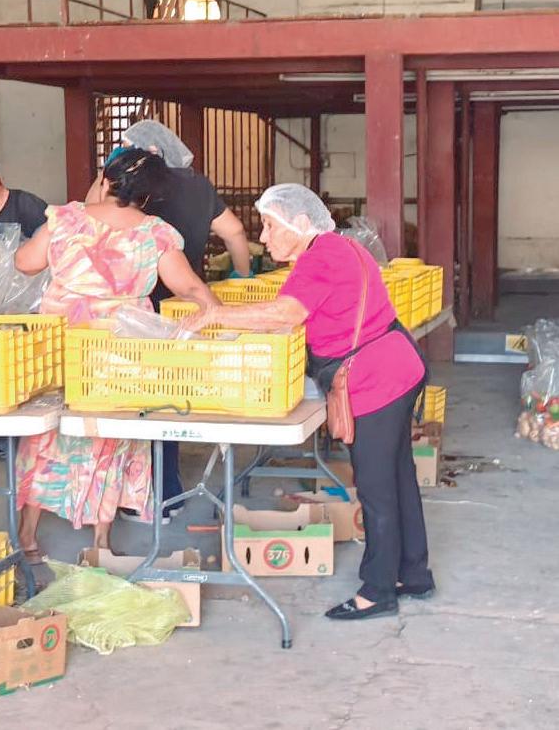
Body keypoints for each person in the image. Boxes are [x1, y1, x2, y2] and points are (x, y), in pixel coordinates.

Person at [184, 183, 434, 621]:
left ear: (301, 223)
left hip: (376, 379)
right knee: (397, 476)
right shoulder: (339, 248)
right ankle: (413, 573)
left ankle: (378, 590)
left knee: (376, 488)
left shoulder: (322, 257)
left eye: (270, 226)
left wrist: (216, 314)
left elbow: (287, 313)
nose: (263, 237)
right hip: (396, 366)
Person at [13, 149, 220, 559]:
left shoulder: (67, 219)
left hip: (63, 349)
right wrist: (220, 316)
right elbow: (189, 287)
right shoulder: (154, 233)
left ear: (105, 180)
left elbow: (25, 262)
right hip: (120, 355)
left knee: (47, 436)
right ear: (148, 196)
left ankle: (28, 535)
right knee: (110, 438)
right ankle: (101, 543)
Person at [116, 120, 252, 522]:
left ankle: (147, 498)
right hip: (190, 307)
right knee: (172, 398)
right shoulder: (199, 186)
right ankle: (170, 493)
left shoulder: (138, 189)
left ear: (148, 153)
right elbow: (235, 232)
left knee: (140, 404)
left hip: (143, 311)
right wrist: (241, 278)